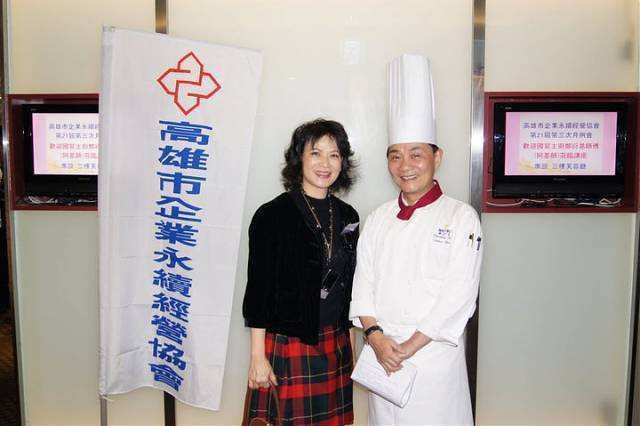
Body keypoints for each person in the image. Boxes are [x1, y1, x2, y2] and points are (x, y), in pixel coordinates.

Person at [349, 54, 483, 425]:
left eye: (416, 154)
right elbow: (363, 285)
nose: (405, 166)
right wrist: (376, 339)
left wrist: (407, 348)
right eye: (395, 156)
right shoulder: (378, 218)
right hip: (382, 358)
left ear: (437, 157)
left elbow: (458, 297)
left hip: (432, 363)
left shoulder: (461, 217)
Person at [242, 119, 360, 426]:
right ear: (299, 159)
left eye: (334, 155)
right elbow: (259, 291)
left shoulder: (348, 216)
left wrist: (351, 347)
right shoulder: (273, 214)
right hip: (290, 342)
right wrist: (257, 357)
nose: (325, 164)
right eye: (315, 153)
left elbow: (349, 287)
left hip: (335, 342)